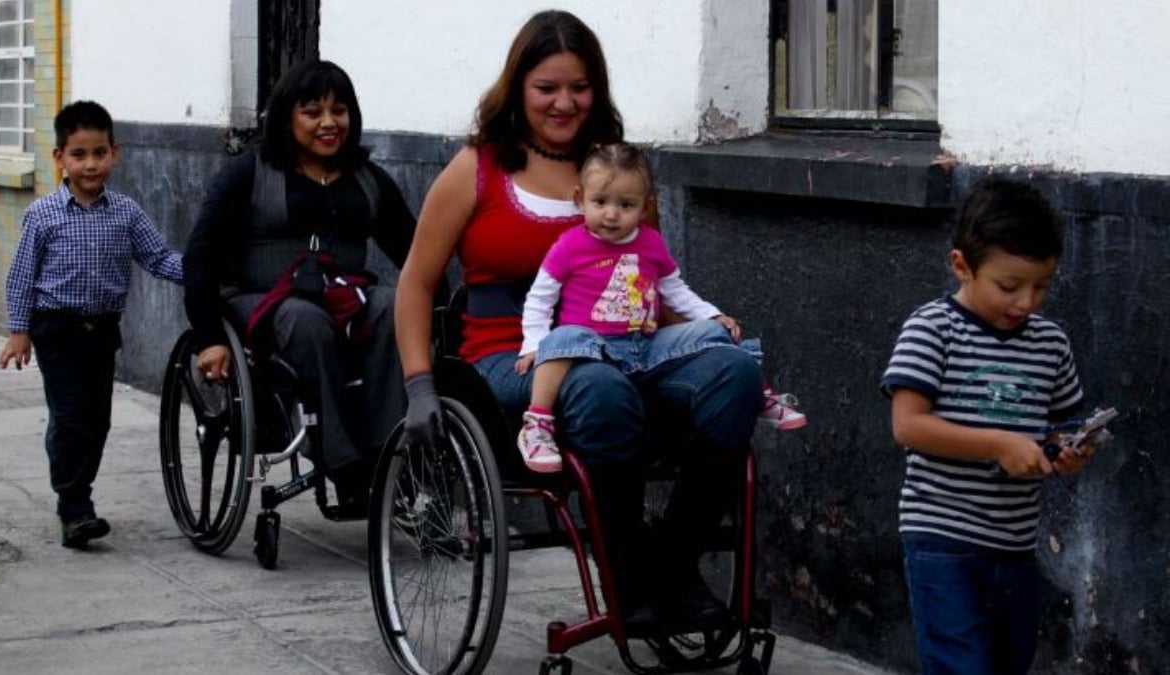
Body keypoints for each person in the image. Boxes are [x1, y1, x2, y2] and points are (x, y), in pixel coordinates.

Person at [394, 9, 763, 631]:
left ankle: (673, 561)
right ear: (518, 89)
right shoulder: (477, 169)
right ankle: (624, 568)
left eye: (579, 87)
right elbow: (415, 283)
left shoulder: (614, 169)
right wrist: (419, 385)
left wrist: (703, 332)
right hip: (516, 356)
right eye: (547, 88)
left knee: (732, 375)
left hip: (629, 345)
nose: (564, 102)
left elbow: (648, 283)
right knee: (594, 385)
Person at [881, 177, 1095, 674]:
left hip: (1015, 548)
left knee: (1007, 664)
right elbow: (908, 426)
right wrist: (999, 445)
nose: (1025, 303)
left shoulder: (1050, 343)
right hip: (941, 544)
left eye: (1041, 286)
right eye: (1009, 286)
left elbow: (1059, 429)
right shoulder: (933, 329)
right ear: (962, 265)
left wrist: (1071, 451)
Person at [183, 60, 417, 512]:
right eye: (313, 112)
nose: (329, 123)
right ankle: (343, 462)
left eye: (340, 110)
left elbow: (413, 250)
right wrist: (208, 337)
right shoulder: (249, 173)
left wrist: (440, 310)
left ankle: (391, 454)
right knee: (304, 318)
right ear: (288, 117)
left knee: (394, 306)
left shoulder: (368, 179)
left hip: (345, 296)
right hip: (262, 300)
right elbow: (200, 256)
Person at [514, 142, 806, 473]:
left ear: (645, 206)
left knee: (715, 331)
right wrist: (534, 345)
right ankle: (537, 423)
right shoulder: (570, 245)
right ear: (580, 199)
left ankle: (762, 394)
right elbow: (540, 300)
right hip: (594, 349)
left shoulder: (651, 243)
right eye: (600, 202)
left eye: (626, 205)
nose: (611, 214)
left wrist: (712, 314)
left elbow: (675, 291)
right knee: (563, 338)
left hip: (648, 347)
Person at [0, 100, 183, 549]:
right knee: (71, 417)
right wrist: (19, 330)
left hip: (101, 332)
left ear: (114, 154)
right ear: (59, 157)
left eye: (99, 153)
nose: (90, 164)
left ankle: (77, 494)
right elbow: (22, 275)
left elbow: (159, 258)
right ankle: (74, 506)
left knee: (96, 420)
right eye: (79, 155)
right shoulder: (43, 215)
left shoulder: (126, 213)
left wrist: (208, 272)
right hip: (56, 330)